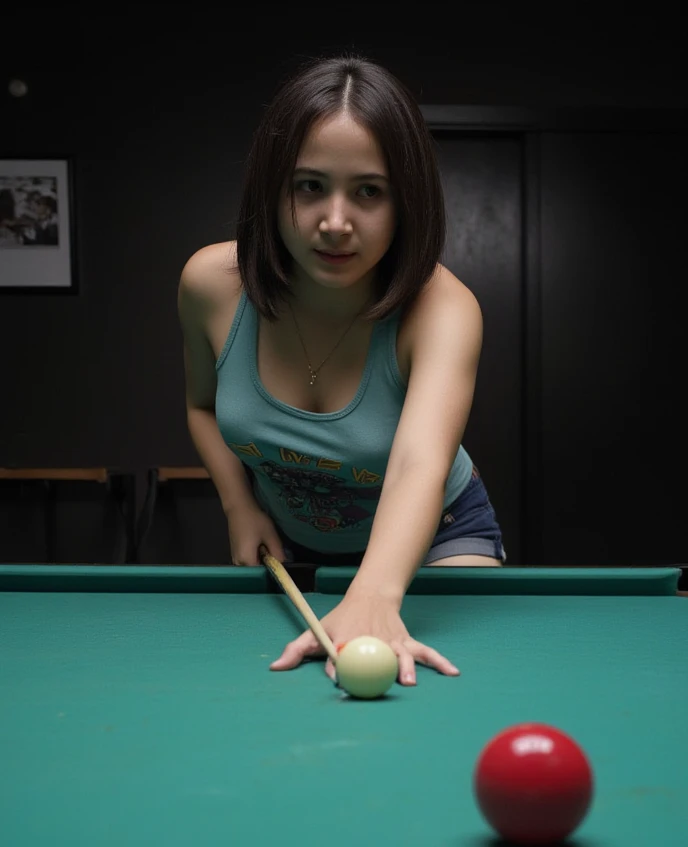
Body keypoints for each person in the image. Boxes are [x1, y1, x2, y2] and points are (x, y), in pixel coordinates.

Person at [178, 53, 506, 686]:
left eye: (369, 191)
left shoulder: (445, 310)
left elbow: (420, 462)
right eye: (309, 186)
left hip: (441, 537)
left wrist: (376, 595)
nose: (335, 222)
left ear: (405, 201)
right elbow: (198, 405)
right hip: (300, 547)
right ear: (272, 190)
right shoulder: (209, 284)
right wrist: (237, 506)